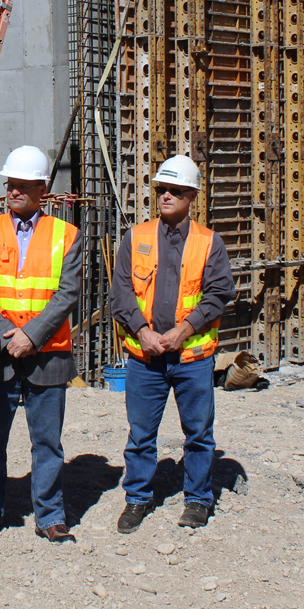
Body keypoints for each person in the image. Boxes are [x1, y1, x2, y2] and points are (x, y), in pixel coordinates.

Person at [108, 154, 233, 533]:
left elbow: (217, 294)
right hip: (145, 358)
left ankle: (197, 499)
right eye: (160, 189)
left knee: (197, 433)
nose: (165, 196)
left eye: (174, 191)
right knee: (141, 433)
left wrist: (182, 332)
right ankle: (138, 498)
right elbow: (121, 293)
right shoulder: (137, 237)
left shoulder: (209, 242)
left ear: (192, 195)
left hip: (192, 356)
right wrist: (144, 333)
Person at [0, 145, 82, 545]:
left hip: (46, 354)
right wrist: (7, 334)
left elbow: (68, 293)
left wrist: (31, 335)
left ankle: (50, 514)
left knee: (47, 440)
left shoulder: (66, 235)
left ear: (41, 188)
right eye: (10, 185)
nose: (13, 191)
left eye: (22, 185)